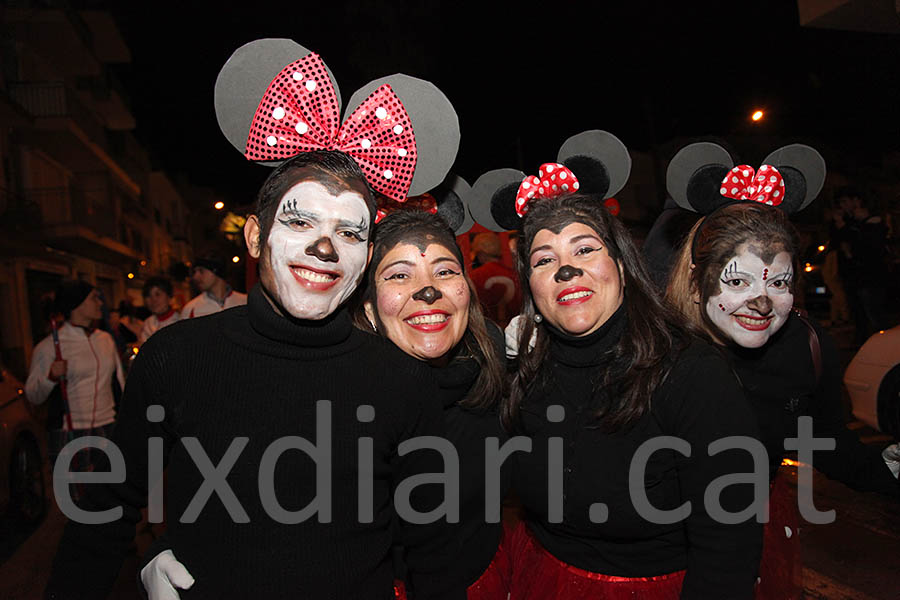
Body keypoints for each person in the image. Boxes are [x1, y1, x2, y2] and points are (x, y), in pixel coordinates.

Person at [44, 151, 461, 599]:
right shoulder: (176, 356)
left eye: (348, 232)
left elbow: (432, 550)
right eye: (301, 223)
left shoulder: (403, 381)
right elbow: (108, 508)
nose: (325, 248)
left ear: (367, 255)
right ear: (255, 236)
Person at [505, 193, 762, 599]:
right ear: (531, 287)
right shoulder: (524, 374)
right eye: (543, 260)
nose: (566, 270)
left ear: (622, 268)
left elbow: (729, 541)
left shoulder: (691, 372)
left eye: (585, 249)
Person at [665, 201, 900, 598]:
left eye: (778, 284)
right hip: (663, 550)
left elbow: (820, 438)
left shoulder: (804, 347)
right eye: (737, 282)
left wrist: (885, 469)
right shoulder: (658, 353)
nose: (761, 303)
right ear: (695, 281)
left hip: (748, 539)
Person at [355, 210, 509, 599]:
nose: (428, 292)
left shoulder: (493, 369)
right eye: (399, 275)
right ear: (370, 308)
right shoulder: (343, 401)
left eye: (444, 272)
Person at [25, 280, 125, 486]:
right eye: (94, 298)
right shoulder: (50, 346)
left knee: (111, 495)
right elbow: (33, 395)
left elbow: (120, 382)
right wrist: (50, 377)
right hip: (71, 432)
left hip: (108, 426)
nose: (100, 303)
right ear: (76, 304)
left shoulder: (105, 339)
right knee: (79, 502)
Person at [469, 232, 521, 328]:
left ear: (481, 254)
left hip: (489, 331)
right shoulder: (513, 275)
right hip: (514, 329)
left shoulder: (475, 276)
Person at [180, 255, 247, 319]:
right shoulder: (190, 309)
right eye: (195, 272)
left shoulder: (245, 302)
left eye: (201, 271)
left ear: (216, 271)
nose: (195, 277)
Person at [139, 276, 181, 344]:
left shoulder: (179, 322)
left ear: (169, 297)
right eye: (148, 295)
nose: (153, 300)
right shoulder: (148, 323)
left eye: (158, 294)